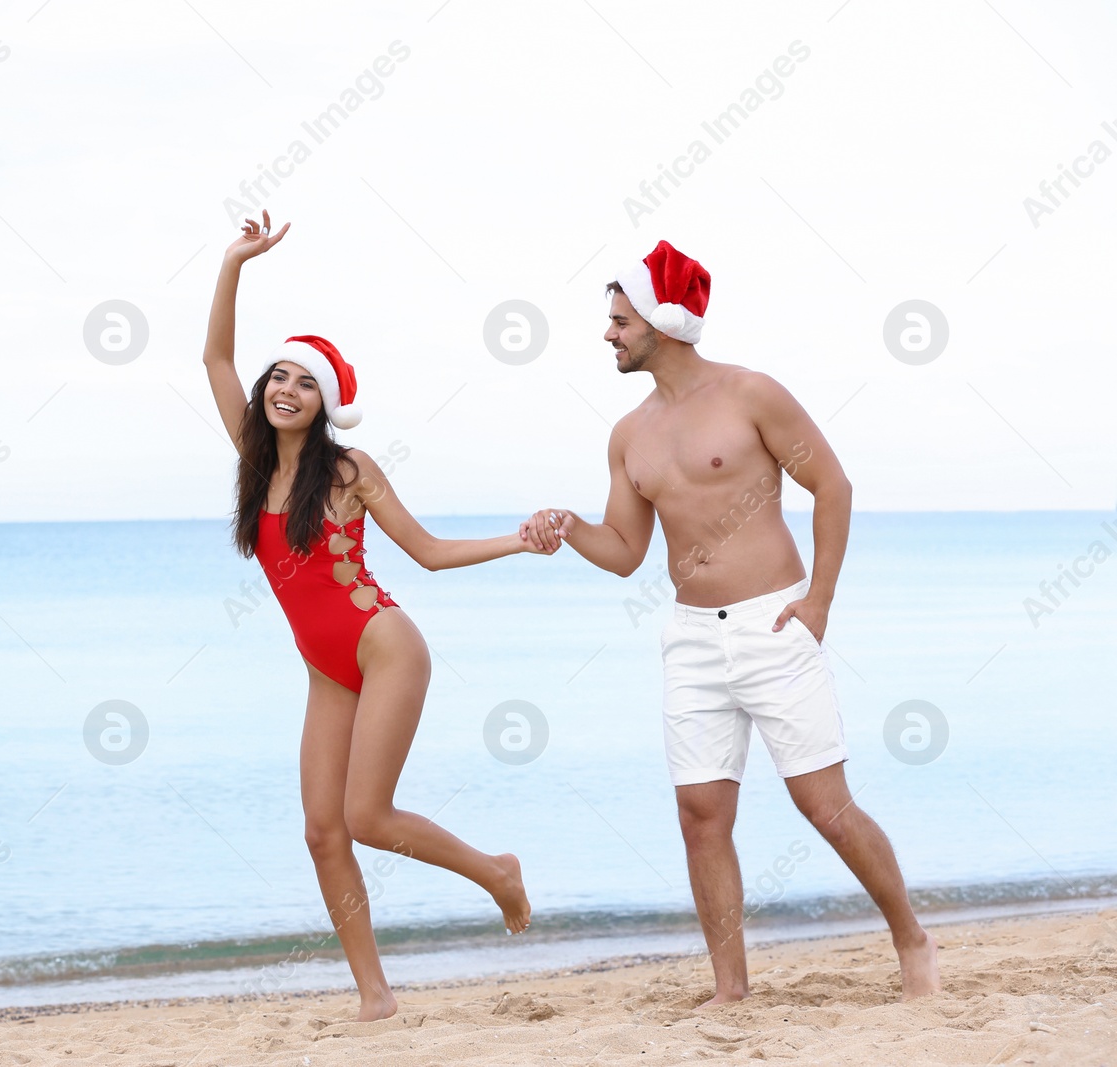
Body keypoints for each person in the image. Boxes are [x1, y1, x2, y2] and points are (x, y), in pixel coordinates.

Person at [521, 240, 940, 1004]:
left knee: (826, 806)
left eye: (619, 320)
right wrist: (569, 527)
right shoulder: (628, 434)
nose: (607, 335)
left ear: (662, 321)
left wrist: (818, 602)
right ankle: (730, 988)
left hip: (772, 622)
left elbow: (833, 486)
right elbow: (623, 551)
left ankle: (912, 939)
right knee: (700, 815)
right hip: (688, 636)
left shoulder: (753, 394)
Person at [202, 209, 537, 1021]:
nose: (287, 389)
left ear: (325, 403)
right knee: (324, 832)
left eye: (305, 381)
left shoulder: (350, 469)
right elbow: (213, 355)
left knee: (367, 814)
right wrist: (235, 262)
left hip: (384, 647)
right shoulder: (252, 457)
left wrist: (519, 541)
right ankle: (376, 996)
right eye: (280, 376)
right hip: (325, 669)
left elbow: (424, 551)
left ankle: (496, 870)